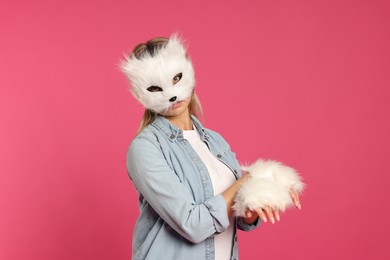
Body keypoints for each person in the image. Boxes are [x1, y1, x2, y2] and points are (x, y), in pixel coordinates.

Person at [121, 35, 301, 260]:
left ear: (190, 73)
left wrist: (251, 205)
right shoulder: (145, 149)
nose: (172, 94)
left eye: (177, 78)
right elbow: (192, 224)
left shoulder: (214, 141)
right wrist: (247, 180)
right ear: (142, 94)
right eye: (156, 88)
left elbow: (232, 216)